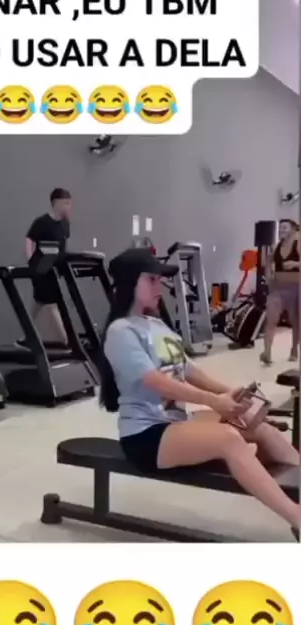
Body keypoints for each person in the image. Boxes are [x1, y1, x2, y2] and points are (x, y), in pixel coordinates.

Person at [100, 248, 300, 533]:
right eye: (152, 280)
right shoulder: (120, 331)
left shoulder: (156, 325)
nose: (160, 287)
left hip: (175, 424)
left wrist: (231, 393)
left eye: (160, 280)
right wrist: (214, 401)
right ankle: (296, 517)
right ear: (131, 282)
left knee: (258, 426)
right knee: (229, 439)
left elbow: (189, 370)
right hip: (146, 436)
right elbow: (154, 381)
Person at [24, 188, 72, 346]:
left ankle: (26, 334)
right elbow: (29, 240)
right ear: (56, 203)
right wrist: (31, 260)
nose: (69, 207)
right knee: (52, 303)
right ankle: (65, 339)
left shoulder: (65, 224)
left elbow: (63, 246)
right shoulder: (41, 222)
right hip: (42, 267)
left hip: (55, 269)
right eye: (66, 203)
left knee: (38, 303)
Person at [260, 218, 300, 365]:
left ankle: (294, 349)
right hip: (278, 288)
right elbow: (268, 262)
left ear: (293, 229)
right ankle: (267, 352)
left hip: (296, 287)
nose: (281, 230)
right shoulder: (277, 246)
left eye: (285, 227)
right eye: (280, 228)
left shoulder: (298, 244)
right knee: (271, 319)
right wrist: (268, 277)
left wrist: (295, 263)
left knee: (296, 321)